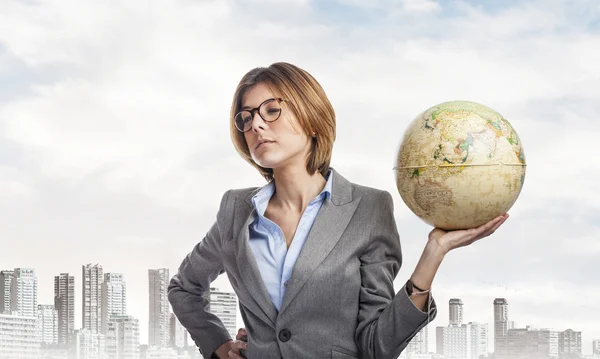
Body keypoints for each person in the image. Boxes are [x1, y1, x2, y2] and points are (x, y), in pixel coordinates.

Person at [167, 62, 509, 359]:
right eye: (247, 117)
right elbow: (184, 289)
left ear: (312, 118)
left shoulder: (368, 209)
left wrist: (434, 253)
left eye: (271, 110)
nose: (256, 125)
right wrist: (219, 345)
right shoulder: (235, 211)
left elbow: (377, 347)